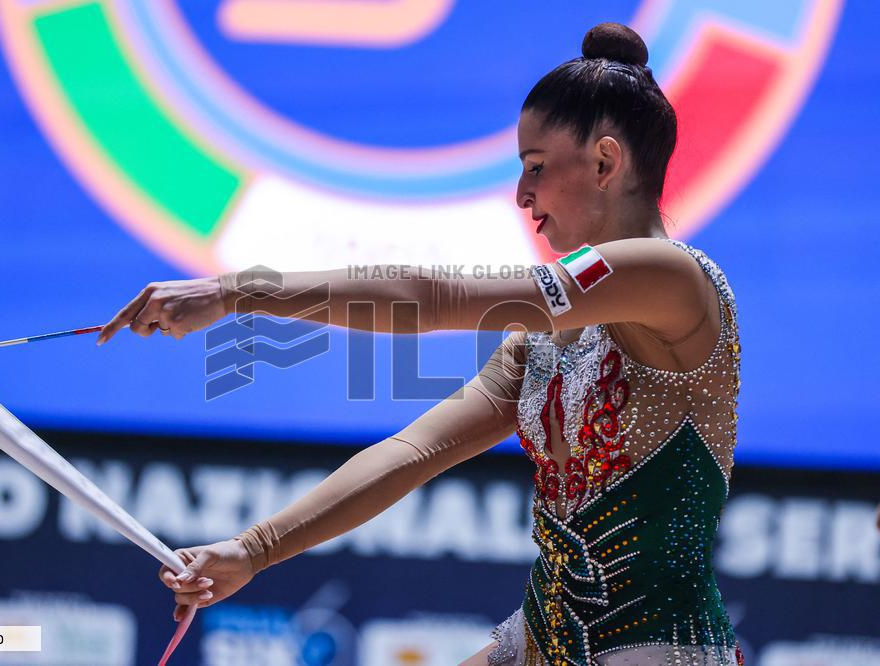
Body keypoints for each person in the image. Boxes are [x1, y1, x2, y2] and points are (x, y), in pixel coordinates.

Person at [98, 22, 744, 666]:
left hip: (658, 651)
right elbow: (415, 451)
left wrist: (237, 293)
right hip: (543, 641)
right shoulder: (546, 340)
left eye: (536, 169)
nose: (522, 195)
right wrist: (254, 549)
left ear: (605, 161)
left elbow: (432, 299)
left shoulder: (671, 277)